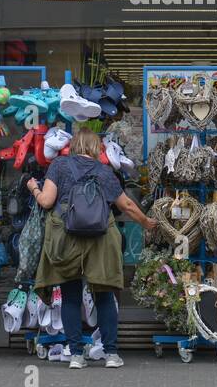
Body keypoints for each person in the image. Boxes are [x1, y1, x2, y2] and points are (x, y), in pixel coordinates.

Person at [27, 128, 157, 368]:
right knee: (105, 295)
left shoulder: (59, 165)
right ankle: (111, 354)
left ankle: (75, 354)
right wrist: (146, 223)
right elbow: (126, 204)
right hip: (101, 238)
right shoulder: (104, 171)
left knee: (70, 296)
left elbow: (46, 201)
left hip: (66, 237)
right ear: (96, 148)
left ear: (74, 145)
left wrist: (33, 187)